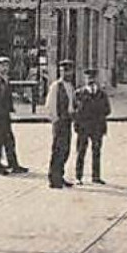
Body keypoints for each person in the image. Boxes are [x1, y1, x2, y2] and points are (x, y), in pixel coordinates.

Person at [0, 56, 27, 175]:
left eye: (7, 65)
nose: (5, 68)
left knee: (8, 140)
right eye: (2, 65)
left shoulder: (4, 78)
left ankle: (13, 164)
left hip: (4, 113)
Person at [73, 66, 111, 185]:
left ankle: (96, 176)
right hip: (84, 127)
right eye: (88, 77)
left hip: (97, 127)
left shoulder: (102, 94)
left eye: (93, 77)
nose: (91, 80)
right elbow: (74, 110)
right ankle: (78, 176)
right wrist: (77, 124)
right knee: (81, 152)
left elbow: (107, 110)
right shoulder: (79, 93)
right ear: (85, 79)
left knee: (96, 151)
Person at [44, 60, 77, 189]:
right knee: (57, 149)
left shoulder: (71, 86)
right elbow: (50, 104)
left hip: (68, 120)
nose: (66, 73)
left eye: (68, 70)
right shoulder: (56, 86)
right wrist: (55, 119)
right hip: (59, 121)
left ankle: (60, 175)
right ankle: (54, 178)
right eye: (63, 71)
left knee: (65, 149)